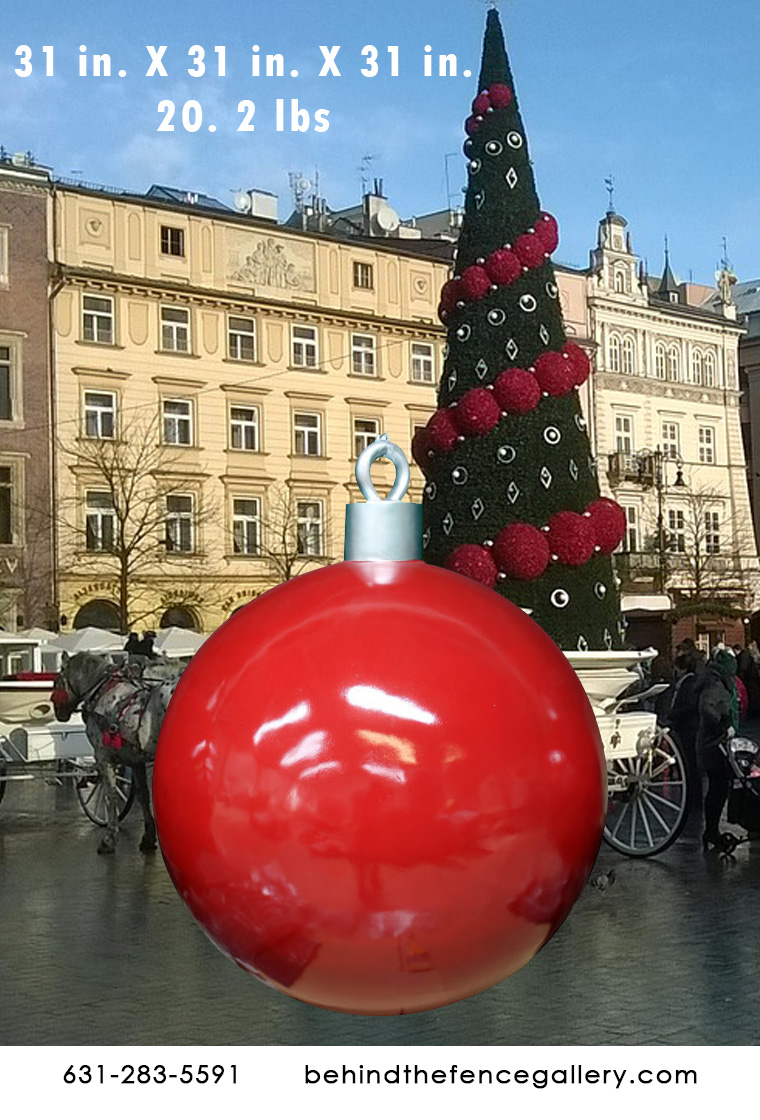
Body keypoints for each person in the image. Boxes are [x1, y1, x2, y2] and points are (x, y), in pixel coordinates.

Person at [695, 647, 739, 852]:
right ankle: (711, 830)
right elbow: (706, 707)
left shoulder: (714, 681)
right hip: (713, 744)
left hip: (713, 744)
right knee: (717, 789)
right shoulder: (715, 685)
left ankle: (711, 830)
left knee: (718, 788)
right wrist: (723, 725)